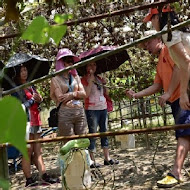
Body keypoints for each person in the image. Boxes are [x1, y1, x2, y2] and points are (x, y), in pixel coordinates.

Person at [126, 30, 190, 188]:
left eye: (147, 43)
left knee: (183, 134)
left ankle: (176, 172)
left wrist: (170, 92)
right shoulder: (160, 59)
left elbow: (178, 67)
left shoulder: (169, 49)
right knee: (186, 132)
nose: (146, 47)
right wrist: (136, 95)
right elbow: (157, 85)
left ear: (157, 38)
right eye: (144, 46)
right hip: (176, 100)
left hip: (184, 96)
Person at [12, 65, 58, 187]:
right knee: (27, 151)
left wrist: (39, 99)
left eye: (26, 69)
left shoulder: (31, 85)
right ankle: (29, 179)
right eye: (21, 70)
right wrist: (32, 100)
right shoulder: (16, 89)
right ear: (17, 73)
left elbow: (37, 99)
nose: (24, 72)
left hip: (36, 120)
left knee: (38, 151)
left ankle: (44, 176)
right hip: (25, 122)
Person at [143, 5, 190, 110]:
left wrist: (183, 94)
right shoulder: (175, 29)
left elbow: (185, 61)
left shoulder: (167, 32)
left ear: (157, 17)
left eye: (151, 19)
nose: (152, 23)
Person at [81, 61, 119, 168]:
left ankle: (107, 158)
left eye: (94, 64)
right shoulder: (83, 79)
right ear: (86, 67)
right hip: (92, 109)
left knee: (104, 133)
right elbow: (86, 95)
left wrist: (105, 85)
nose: (92, 67)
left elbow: (106, 93)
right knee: (93, 134)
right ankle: (92, 160)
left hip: (103, 108)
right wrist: (90, 82)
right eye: (90, 64)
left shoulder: (99, 78)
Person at [50, 48, 87, 137]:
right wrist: (76, 94)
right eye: (68, 61)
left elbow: (84, 94)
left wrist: (72, 94)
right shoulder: (55, 79)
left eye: (72, 61)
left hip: (79, 112)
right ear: (62, 63)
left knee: (83, 140)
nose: (71, 63)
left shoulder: (76, 77)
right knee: (69, 143)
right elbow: (61, 98)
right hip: (65, 114)